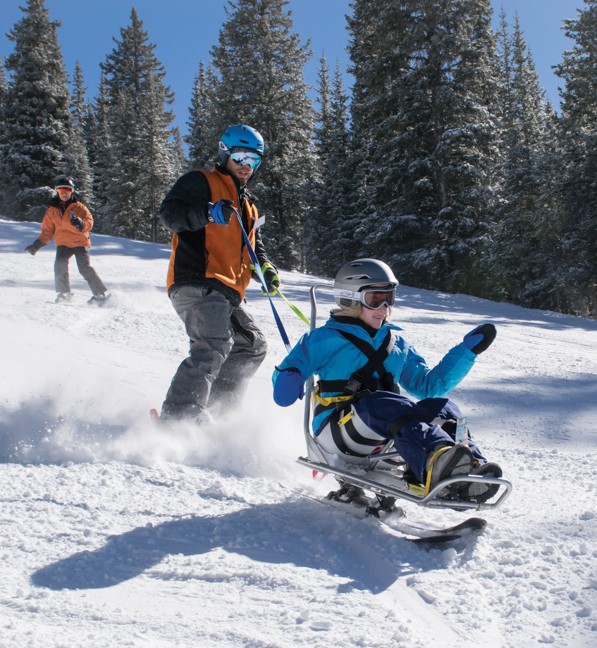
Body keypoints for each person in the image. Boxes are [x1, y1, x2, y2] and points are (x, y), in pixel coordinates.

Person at [272, 258, 501, 503]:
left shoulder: (396, 343)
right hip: (338, 431)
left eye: (389, 297)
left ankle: (470, 469)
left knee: (442, 406)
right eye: (375, 299)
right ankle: (439, 459)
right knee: (382, 402)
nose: (384, 307)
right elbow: (283, 392)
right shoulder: (323, 339)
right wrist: (289, 377)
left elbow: (428, 386)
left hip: (385, 430)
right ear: (349, 298)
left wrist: (466, 353)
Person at [158, 124, 281, 424]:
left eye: (254, 161)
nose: (246, 167)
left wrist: (264, 268)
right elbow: (169, 214)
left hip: (228, 291)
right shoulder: (201, 182)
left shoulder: (248, 204)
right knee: (213, 344)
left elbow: (254, 245)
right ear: (224, 153)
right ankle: (179, 417)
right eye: (240, 157)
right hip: (198, 280)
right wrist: (206, 212)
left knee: (252, 346)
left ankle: (218, 413)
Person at [24, 177, 109, 304]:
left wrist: (81, 224)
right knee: (59, 264)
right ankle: (64, 293)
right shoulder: (52, 210)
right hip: (63, 243)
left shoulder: (79, 207)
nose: (64, 193)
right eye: (61, 190)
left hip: (80, 242)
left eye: (67, 190)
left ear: (72, 192)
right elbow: (47, 231)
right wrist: (36, 245)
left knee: (84, 268)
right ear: (56, 192)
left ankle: (100, 294)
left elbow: (89, 222)